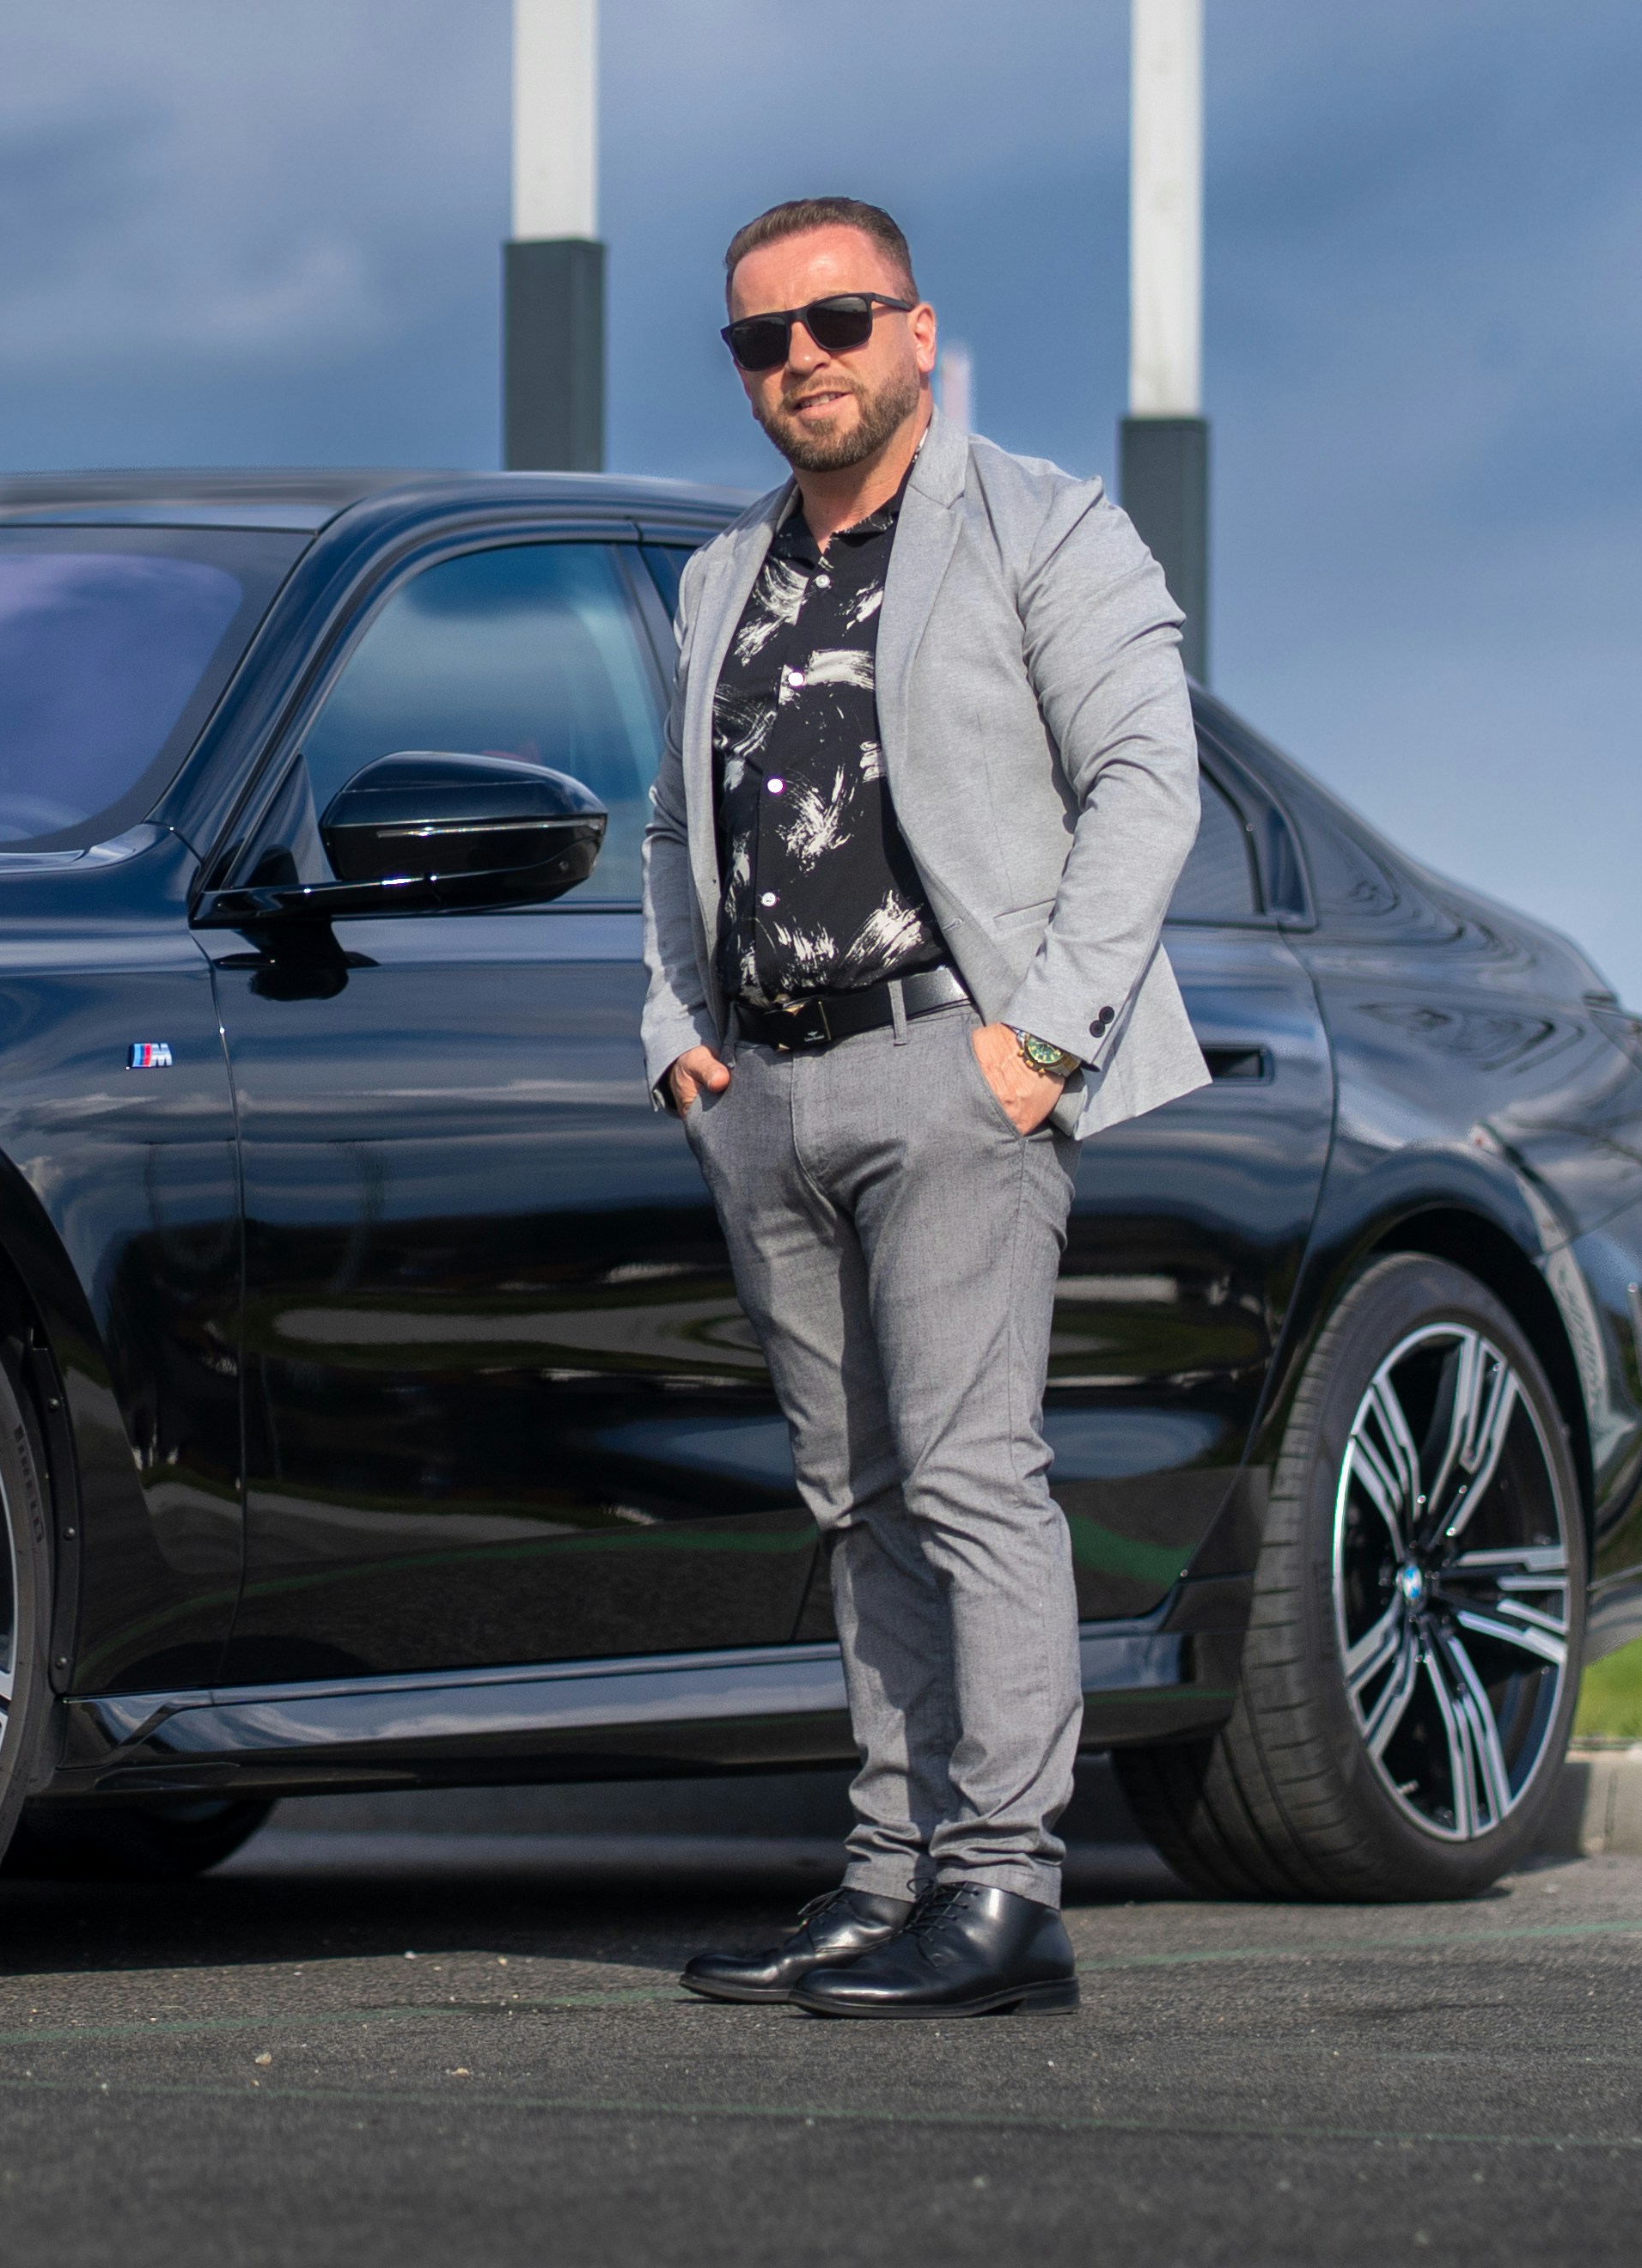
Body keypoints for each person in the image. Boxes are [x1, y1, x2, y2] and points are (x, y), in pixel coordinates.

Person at [647, 194, 1200, 2021]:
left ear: (917, 330)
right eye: (761, 339)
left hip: (955, 1063)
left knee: (971, 1482)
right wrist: (676, 1026)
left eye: (835, 320)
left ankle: (1004, 1888)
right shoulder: (721, 574)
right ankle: (888, 1880)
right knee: (854, 1499)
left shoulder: (1045, 525)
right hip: (769, 1088)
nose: (799, 358)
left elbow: (1146, 780)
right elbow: (676, 830)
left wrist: (1039, 1041)